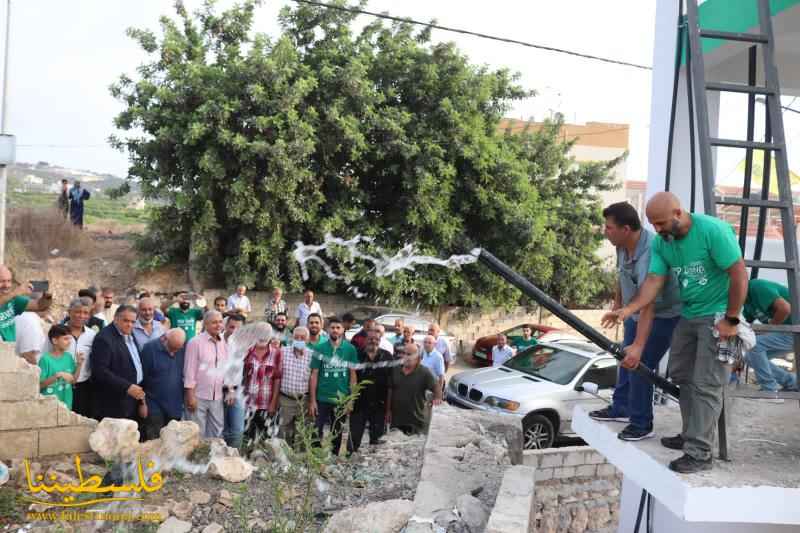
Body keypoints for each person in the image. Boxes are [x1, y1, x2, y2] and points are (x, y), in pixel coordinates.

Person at [605, 192, 747, 473]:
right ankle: (690, 432)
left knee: (706, 383)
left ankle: (699, 452)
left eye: (660, 223)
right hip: (689, 314)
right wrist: (626, 309)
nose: (656, 230)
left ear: (678, 214)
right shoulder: (662, 243)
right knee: (682, 375)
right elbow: (654, 281)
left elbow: (739, 273)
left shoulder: (712, 231)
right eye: (652, 224)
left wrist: (731, 318)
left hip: (717, 315)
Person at [591, 202, 682, 441]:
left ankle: (641, 423)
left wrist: (639, 343)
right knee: (625, 356)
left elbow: (649, 302)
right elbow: (621, 275)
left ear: (627, 229)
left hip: (663, 313)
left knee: (640, 362)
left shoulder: (651, 250)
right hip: (634, 311)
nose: (605, 231)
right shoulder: (621, 245)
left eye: (609, 228)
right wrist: (618, 305)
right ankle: (621, 407)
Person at [308, 316, 358, 455]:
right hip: (322, 398)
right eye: (332, 327)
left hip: (341, 399)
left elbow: (353, 375)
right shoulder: (320, 348)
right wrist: (312, 401)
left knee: (337, 432)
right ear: (328, 329)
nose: (335, 330)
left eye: (338, 328)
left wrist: (351, 400)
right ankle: (316, 458)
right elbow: (314, 374)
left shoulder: (350, 349)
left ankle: (334, 456)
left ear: (343, 330)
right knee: (316, 430)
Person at [741, 278, 798, 392]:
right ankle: (792, 383)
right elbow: (743, 326)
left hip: (795, 328)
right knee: (751, 357)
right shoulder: (745, 302)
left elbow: (785, 308)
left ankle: (769, 389)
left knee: (755, 346)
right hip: (786, 331)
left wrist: (769, 329)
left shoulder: (757, 286)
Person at [91, 305, 145, 421]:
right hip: (114, 403)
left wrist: (141, 401)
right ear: (115, 318)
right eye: (125, 320)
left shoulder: (129, 334)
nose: (129, 324)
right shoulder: (104, 338)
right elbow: (100, 371)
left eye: (132, 322)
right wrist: (127, 387)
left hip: (132, 398)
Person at [46, 297, 97, 417]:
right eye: (77, 312)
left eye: (85, 313)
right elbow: (46, 354)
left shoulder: (92, 335)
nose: (81, 316)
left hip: (83, 386)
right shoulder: (57, 331)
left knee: (82, 419)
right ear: (69, 312)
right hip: (59, 385)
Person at [183, 310, 228, 438]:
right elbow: (189, 371)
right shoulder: (195, 342)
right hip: (198, 396)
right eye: (214, 322)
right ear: (206, 324)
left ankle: (213, 457)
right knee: (196, 434)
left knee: (217, 433)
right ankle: (195, 458)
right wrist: (190, 396)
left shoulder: (222, 342)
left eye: (220, 322)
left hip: (217, 396)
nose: (218, 325)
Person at [348, 328, 393, 453]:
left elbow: (391, 384)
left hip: (379, 405)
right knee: (353, 440)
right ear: (365, 340)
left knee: (377, 441)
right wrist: (349, 402)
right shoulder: (356, 354)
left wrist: (389, 408)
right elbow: (351, 379)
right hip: (359, 404)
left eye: (376, 339)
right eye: (370, 339)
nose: (373, 341)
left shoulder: (387, 356)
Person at [139, 329, 187, 440]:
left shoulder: (183, 347)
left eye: (177, 349)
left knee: (172, 441)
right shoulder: (149, 349)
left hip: (175, 404)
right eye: (171, 348)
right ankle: (149, 459)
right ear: (164, 338)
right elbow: (141, 380)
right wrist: (142, 403)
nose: (173, 352)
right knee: (154, 441)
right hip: (154, 403)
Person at [387, 344, 441, 434]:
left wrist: (437, 398)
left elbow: (436, 386)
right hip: (397, 420)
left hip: (416, 421)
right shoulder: (395, 369)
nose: (405, 356)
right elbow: (390, 391)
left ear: (417, 357)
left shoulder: (424, 372)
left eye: (409, 354)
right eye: (404, 353)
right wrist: (388, 411)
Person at [242, 336, 282, 441]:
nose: (262, 336)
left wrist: (273, 403)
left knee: (266, 438)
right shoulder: (247, 351)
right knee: (247, 437)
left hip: (267, 404)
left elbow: (277, 378)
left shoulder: (276, 353)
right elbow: (242, 376)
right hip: (248, 404)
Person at [278, 327, 313, 446]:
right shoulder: (283, 352)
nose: (299, 340)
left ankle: (300, 460)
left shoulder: (311, 355)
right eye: (296, 337)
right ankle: (284, 460)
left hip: (303, 400)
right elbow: (277, 375)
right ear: (292, 338)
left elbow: (313, 379)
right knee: (283, 431)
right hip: (286, 399)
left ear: (307, 340)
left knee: (303, 433)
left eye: (302, 338)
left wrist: (312, 401)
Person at [0, 265, 53, 342]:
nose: (7, 285)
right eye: (1, 281)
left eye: (9, 281)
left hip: (10, 346)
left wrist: (47, 297)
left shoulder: (12, 299)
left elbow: (39, 306)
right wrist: (15, 293)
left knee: (31, 317)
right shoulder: (12, 296)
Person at [39, 325, 84, 409]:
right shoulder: (45, 360)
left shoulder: (69, 357)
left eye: (70, 339)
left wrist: (79, 364)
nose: (69, 342)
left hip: (66, 404)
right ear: (55, 340)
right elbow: (39, 385)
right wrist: (57, 376)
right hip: (49, 406)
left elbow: (73, 381)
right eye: (65, 339)